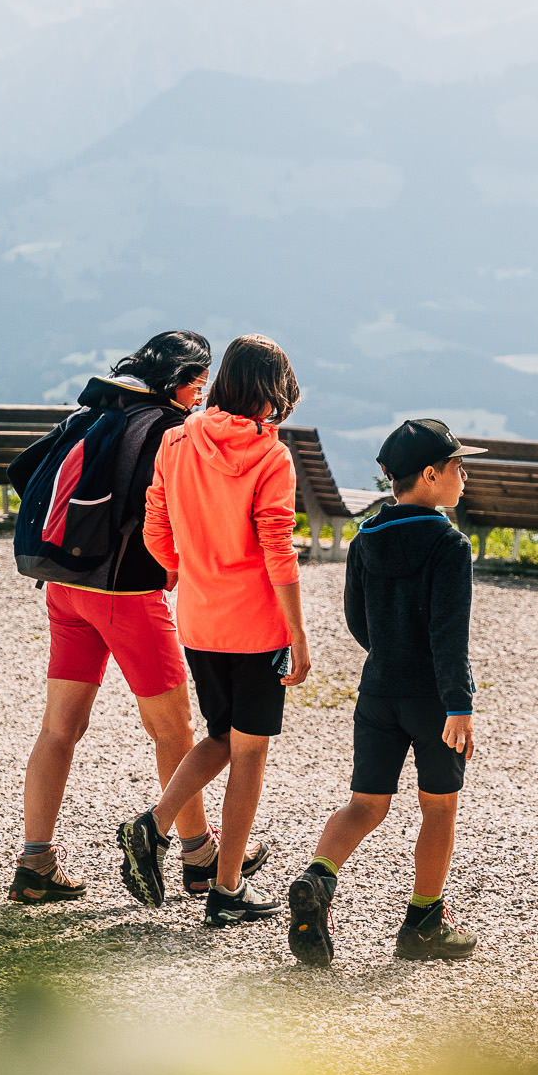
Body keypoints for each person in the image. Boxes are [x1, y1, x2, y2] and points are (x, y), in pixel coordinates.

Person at [7, 332, 263, 903]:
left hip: (65, 589)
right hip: (125, 593)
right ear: (182, 381)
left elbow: (25, 472)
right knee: (175, 731)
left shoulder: (98, 410)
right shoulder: (165, 430)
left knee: (59, 729)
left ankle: (35, 863)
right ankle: (199, 856)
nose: (202, 395)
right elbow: (174, 512)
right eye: (200, 383)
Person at [116, 334, 311, 927]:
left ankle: (151, 827)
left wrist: (181, 568)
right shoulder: (271, 458)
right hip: (255, 627)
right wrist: (298, 635)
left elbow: (155, 524)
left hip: (198, 622)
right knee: (249, 754)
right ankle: (227, 891)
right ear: (273, 391)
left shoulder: (178, 440)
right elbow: (278, 549)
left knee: (222, 737)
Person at [287, 418, 485, 966]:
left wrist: (389, 652)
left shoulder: (367, 536)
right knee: (439, 809)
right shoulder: (449, 544)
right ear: (429, 474)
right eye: (457, 465)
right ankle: (423, 923)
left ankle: (318, 879)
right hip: (431, 700)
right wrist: (459, 704)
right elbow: (450, 633)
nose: (464, 474)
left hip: (378, 691)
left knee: (365, 804)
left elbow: (357, 618)